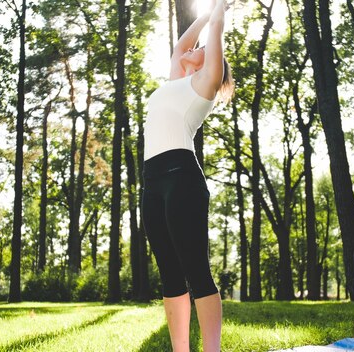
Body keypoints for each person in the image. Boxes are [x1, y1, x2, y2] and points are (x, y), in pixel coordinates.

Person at [141, 1, 234, 351]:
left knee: (196, 271)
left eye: (203, 50)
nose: (192, 50)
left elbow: (216, 35)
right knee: (170, 275)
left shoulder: (205, 84)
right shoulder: (176, 82)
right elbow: (181, 47)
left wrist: (218, 11)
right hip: (153, 183)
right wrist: (204, 16)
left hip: (182, 180)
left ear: (214, 63)